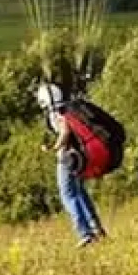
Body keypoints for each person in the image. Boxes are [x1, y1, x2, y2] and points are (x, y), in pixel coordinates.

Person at [36, 83, 107, 247]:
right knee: (79, 192)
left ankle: (84, 233)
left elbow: (65, 132)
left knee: (67, 195)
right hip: (80, 156)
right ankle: (96, 228)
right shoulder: (69, 108)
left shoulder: (56, 113)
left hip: (68, 158)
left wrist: (54, 147)